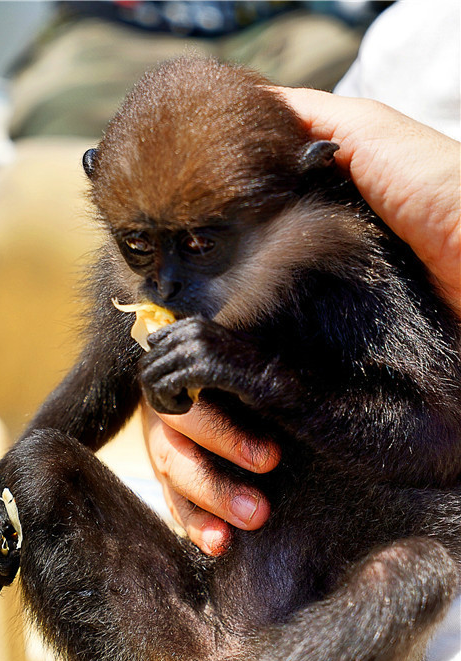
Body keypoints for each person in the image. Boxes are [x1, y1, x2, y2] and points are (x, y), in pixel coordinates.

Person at [143, 91, 461, 555]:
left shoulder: (353, 270)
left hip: (390, 548)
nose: (165, 284)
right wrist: (167, 382)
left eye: (199, 245)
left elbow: (438, 439)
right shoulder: (400, 41)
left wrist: (251, 371)